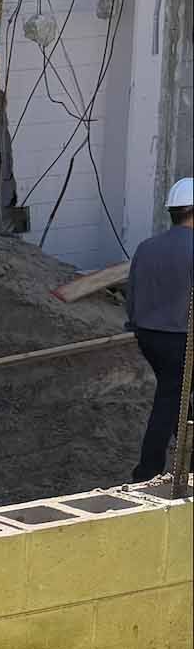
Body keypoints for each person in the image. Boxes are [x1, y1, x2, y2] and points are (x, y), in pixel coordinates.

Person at [127, 176, 194, 482]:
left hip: (150, 338)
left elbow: (133, 296)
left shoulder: (147, 247)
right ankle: (148, 471)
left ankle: (170, 467)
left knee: (175, 395)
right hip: (183, 340)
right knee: (171, 400)